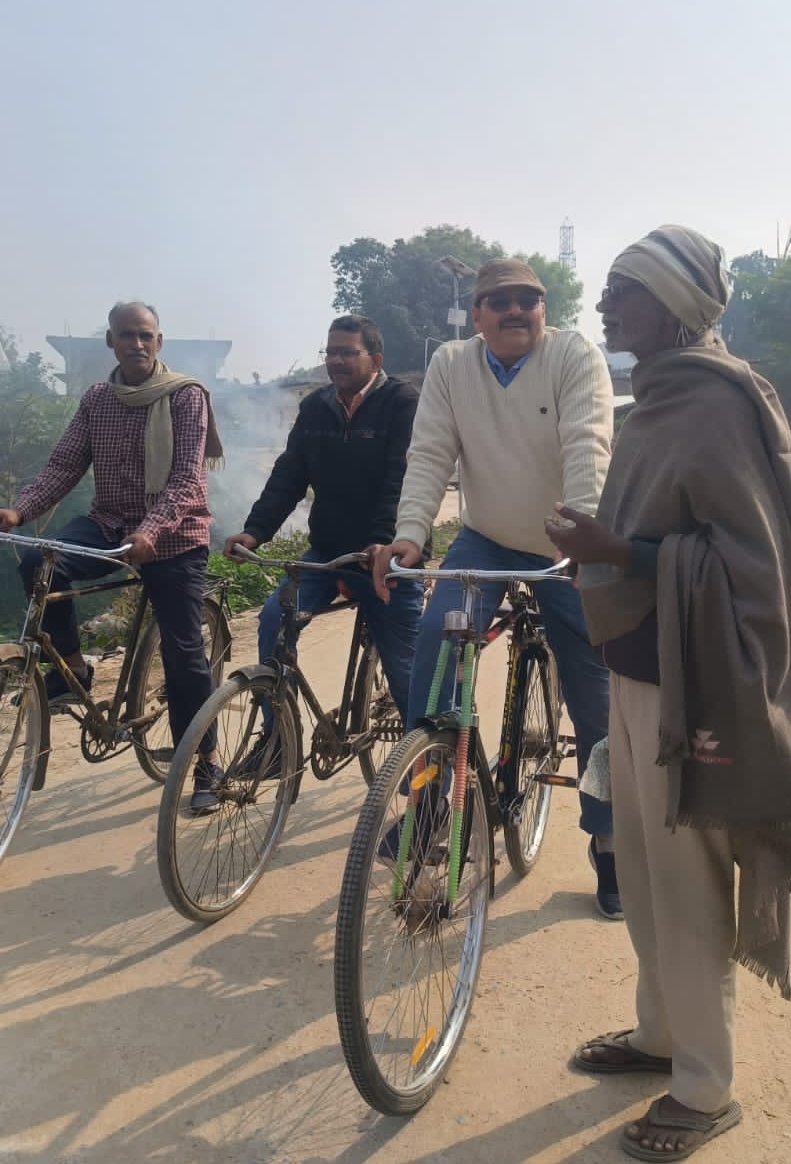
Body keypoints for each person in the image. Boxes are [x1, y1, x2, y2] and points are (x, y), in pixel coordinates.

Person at [545, 224, 791, 1162]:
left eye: (623, 289)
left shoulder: (717, 400)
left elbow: (747, 564)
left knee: (689, 886)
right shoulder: (656, 398)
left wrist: (618, 551)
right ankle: (660, 1035)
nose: (604, 304)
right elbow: (663, 531)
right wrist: (603, 550)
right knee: (642, 871)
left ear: (674, 305)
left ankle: (706, 1089)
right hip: (635, 673)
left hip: (694, 684)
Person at [373, 258, 621, 917]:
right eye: (499, 301)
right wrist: (410, 535)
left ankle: (610, 837)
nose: (515, 310)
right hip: (484, 536)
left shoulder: (573, 356)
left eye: (527, 300)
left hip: (563, 540)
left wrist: (581, 535)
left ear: (544, 309)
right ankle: (431, 807)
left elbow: (587, 446)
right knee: (436, 641)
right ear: (477, 314)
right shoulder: (452, 364)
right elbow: (431, 452)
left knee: (595, 693)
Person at [0, 301, 225, 812]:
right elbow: (64, 465)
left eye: (146, 335)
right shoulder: (97, 398)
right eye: (127, 335)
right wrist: (19, 510)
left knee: (183, 651)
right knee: (38, 560)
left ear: (159, 342)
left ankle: (206, 759)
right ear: (111, 342)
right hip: (109, 524)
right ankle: (74, 668)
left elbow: (188, 478)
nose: (137, 344)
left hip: (175, 536)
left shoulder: (186, 395)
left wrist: (152, 527)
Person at [224, 315, 423, 767]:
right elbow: (289, 474)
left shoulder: (402, 402)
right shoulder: (316, 407)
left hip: (389, 557)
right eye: (330, 352)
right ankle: (278, 744)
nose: (336, 361)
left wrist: (381, 541)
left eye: (347, 352)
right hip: (327, 554)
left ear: (375, 359)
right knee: (274, 620)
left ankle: (428, 777)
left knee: (408, 672)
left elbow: (404, 478)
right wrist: (256, 531)